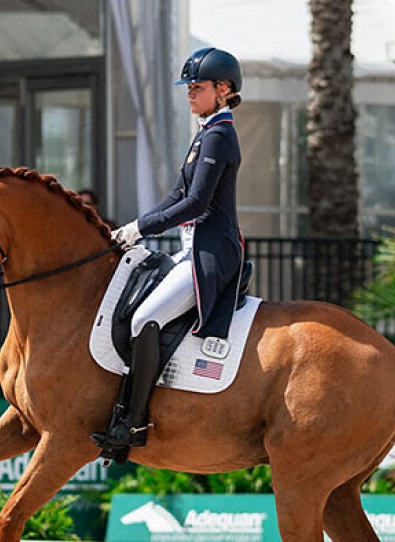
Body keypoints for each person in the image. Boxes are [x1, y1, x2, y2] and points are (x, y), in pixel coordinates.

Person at [92, 47, 245, 456]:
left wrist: (142, 228)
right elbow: (176, 195)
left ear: (224, 89)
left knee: (145, 317)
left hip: (211, 254)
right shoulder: (204, 132)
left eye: (198, 87)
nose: (190, 94)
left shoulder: (219, 136)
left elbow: (196, 203)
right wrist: (132, 227)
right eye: (189, 88)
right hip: (190, 249)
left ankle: (134, 421)